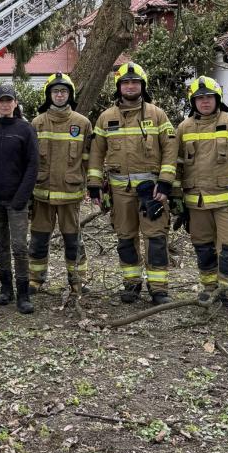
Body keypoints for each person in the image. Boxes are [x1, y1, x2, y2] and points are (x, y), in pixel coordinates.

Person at [88, 62, 178, 305]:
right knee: (125, 238)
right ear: (119, 87)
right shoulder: (106, 118)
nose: (130, 86)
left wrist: (165, 182)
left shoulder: (157, 115)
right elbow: (96, 153)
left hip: (152, 191)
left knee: (156, 239)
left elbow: (171, 149)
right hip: (120, 192)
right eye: (125, 83)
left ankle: (159, 289)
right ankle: (131, 284)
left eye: (134, 82)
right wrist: (94, 184)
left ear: (142, 86)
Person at [172, 76, 228, 312]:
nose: (205, 101)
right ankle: (210, 289)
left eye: (209, 97)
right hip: (196, 202)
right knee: (203, 247)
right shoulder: (184, 128)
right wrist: (176, 196)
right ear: (193, 102)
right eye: (200, 98)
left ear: (217, 99)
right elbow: (176, 165)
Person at [0, 83, 39, 314]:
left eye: (8, 100)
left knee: (19, 247)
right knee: (1, 245)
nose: (4, 104)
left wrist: (22, 197)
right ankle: (5, 289)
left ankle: (23, 293)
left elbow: (33, 166)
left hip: (17, 200)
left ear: (15, 103)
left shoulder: (26, 130)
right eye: (0, 101)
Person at [28, 73, 93, 296]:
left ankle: (77, 281)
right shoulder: (37, 123)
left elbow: (89, 160)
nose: (59, 95)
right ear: (49, 95)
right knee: (38, 239)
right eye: (55, 91)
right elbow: (29, 161)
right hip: (42, 194)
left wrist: (91, 185)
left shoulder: (82, 123)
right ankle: (35, 279)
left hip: (70, 195)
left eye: (63, 91)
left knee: (73, 240)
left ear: (70, 95)